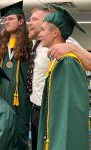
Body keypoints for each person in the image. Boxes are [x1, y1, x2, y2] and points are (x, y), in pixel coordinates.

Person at [27, 6, 88, 150]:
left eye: (42, 28)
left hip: (53, 115)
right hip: (38, 109)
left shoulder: (67, 59)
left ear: (55, 32)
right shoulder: (45, 50)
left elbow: (68, 105)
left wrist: (72, 48)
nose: (39, 33)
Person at [0, 1, 32, 150]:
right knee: (1, 135)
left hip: (21, 100)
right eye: (5, 19)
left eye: (10, 19)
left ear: (21, 21)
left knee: (19, 136)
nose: (6, 21)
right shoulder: (2, 44)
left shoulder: (31, 44)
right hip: (2, 97)